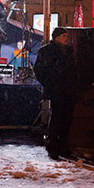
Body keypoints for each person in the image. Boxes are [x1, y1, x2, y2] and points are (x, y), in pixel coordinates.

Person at [34, 27, 77, 159]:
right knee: (57, 117)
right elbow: (39, 70)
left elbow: (74, 69)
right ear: (57, 37)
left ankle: (63, 145)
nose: (66, 38)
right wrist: (49, 83)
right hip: (56, 89)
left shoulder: (69, 51)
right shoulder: (46, 52)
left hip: (68, 89)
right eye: (64, 36)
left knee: (67, 118)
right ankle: (53, 145)